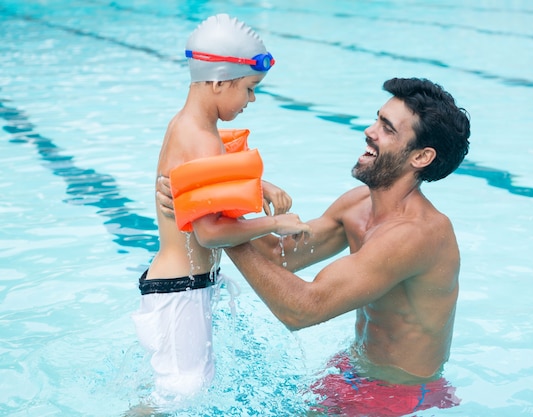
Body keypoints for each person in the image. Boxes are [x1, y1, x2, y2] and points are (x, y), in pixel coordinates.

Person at [157, 77, 471, 415]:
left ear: (422, 156)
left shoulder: (416, 235)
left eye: (388, 129)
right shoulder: (358, 205)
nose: (369, 131)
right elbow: (282, 255)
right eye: (377, 118)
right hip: (353, 370)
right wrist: (210, 196)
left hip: (398, 395)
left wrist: (209, 219)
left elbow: (302, 309)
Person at [131, 14, 310, 406]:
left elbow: (202, 185)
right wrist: (275, 223)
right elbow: (208, 232)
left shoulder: (187, 125)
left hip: (175, 284)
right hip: (180, 288)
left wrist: (260, 185)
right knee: (181, 394)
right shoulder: (201, 139)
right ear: (218, 81)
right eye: (249, 88)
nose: (252, 99)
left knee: (174, 389)